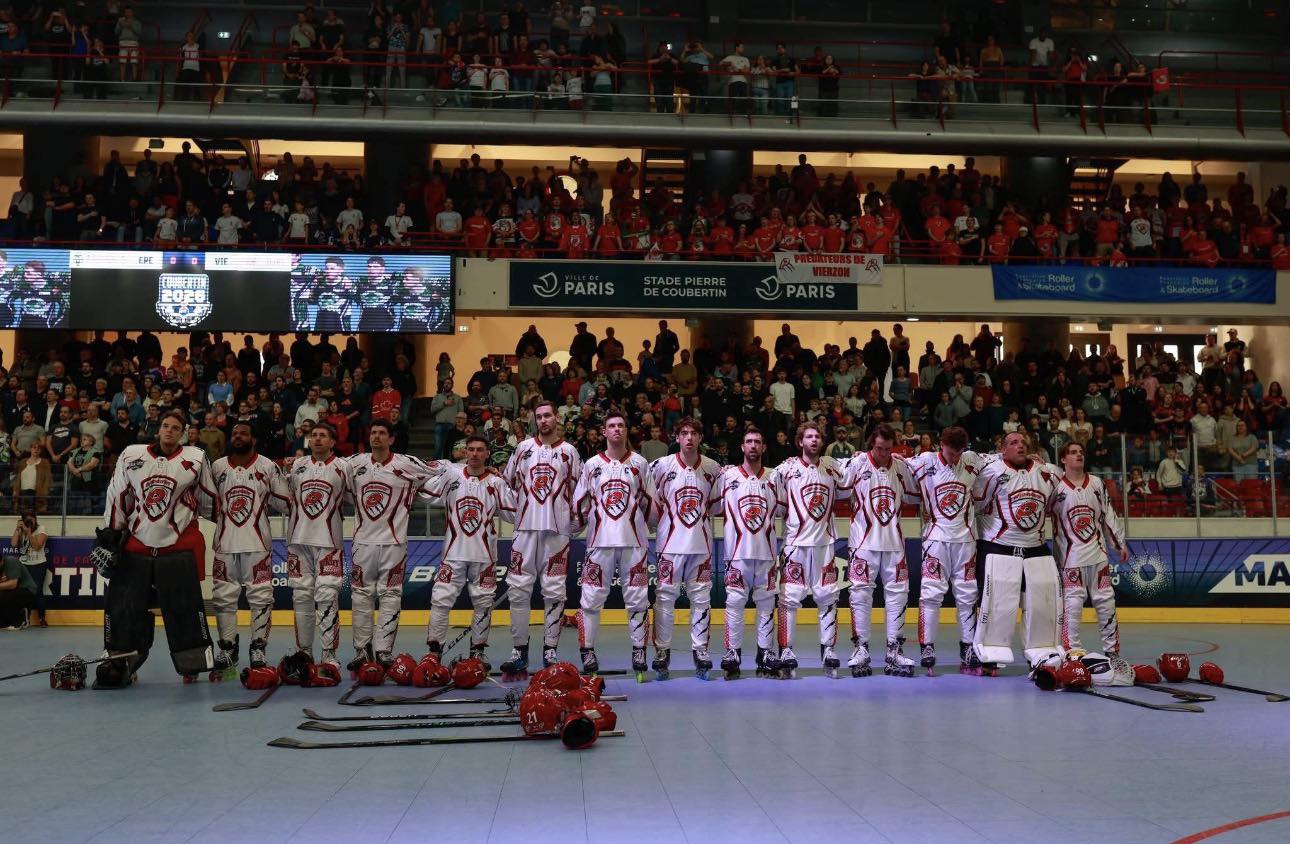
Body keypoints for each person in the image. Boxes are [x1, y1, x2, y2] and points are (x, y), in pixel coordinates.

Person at [94, 410, 219, 687]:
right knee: (124, 610)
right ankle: (120, 662)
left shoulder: (195, 458)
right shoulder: (131, 455)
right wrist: (111, 535)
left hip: (178, 548)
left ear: (183, 433)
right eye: (165, 426)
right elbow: (117, 495)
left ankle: (193, 664)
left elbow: (210, 498)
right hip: (137, 546)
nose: (169, 431)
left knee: (184, 610)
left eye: (176, 427)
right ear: (157, 429)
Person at [345, 418, 445, 672]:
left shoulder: (407, 463)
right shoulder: (354, 463)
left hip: (394, 543)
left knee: (391, 596)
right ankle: (361, 650)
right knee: (361, 596)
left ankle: (384, 650)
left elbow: (441, 469)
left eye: (382, 433)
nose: (376, 436)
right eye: (373, 432)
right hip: (362, 544)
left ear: (391, 438)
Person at [498, 400, 583, 677]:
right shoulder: (523, 448)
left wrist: (574, 524)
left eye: (548, 415)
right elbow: (505, 483)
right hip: (525, 531)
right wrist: (514, 515)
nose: (544, 420)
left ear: (557, 418)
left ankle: (550, 650)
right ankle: (519, 650)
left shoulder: (570, 452)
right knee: (518, 590)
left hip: (557, 533)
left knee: (555, 591)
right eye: (539, 417)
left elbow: (581, 493)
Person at [571, 412, 657, 676]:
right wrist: (575, 525)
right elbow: (579, 503)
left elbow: (651, 502)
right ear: (604, 431)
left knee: (638, 599)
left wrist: (654, 525)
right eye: (611, 426)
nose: (617, 429)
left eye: (621, 425)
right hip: (599, 543)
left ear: (626, 430)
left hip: (634, 544)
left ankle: (639, 651)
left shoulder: (640, 463)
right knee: (591, 599)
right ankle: (587, 652)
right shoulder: (592, 465)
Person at [971, 430, 1063, 674]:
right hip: (998, 546)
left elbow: (1055, 504)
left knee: (1043, 603)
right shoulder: (991, 471)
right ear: (1003, 448)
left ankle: (1042, 652)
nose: (1020, 445)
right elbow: (976, 503)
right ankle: (991, 653)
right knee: (998, 604)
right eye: (1013, 442)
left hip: (1036, 548)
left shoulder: (1048, 473)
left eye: (1023, 442)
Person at [419, 435, 516, 667]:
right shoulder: (452, 474)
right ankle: (434, 651)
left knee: (483, 603)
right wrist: (440, 467)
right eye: (470, 449)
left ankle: (478, 651)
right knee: (440, 601)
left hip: (485, 556)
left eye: (480, 450)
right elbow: (424, 493)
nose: (474, 454)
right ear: (465, 452)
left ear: (487, 454)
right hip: (453, 553)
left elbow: (513, 513)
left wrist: (509, 481)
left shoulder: (496, 483)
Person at [206, 423, 291, 676]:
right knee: (223, 598)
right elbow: (206, 504)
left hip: (257, 544)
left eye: (243, 433)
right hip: (224, 544)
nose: (238, 437)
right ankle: (228, 648)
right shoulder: (217, 467)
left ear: (253, 438)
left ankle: (258, 648)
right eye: (234, 434)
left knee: (261, 597)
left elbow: (285, 502)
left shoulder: (266, 466)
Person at [841, 424, 919, 678]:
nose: (883, 454)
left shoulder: (901, 465)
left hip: (894, 544)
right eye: (879, 449)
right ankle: (861, 648)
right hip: (863, 545)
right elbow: (829, 472)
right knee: (860, 595)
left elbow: (922, 482)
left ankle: (893, 649)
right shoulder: (856, 464)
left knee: (898, 595)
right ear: (870, 445)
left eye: (888, 449)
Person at [770, 421, 846, 678]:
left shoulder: (832, 467)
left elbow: (852, 482)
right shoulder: (786, 469)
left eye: (817, 437)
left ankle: (828, 649)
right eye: (808, 436)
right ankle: (787, 650)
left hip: (824, 545)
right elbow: (772, 499)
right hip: (795, 545)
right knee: (789, 598)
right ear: (800, 441)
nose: (813, 440)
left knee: (828, 596)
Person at [907, 425, 984, 675]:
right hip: (935, 541)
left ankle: (968, 646)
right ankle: (927, 646)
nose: (955, 458)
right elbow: (894, 462)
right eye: (951, 453)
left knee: (967, 595)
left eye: (959, 453)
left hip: (966, 542)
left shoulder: (972, 460)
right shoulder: (924, 461)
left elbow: (999, 460)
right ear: (941, 445)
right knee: (930, 595)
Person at [648, 417, 722, 679]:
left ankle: (700, 649)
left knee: (701, 600)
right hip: (669, 546)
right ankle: (662, 651)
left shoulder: (714, 469)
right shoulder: (660, 466)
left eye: (694, 433)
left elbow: (715, 506)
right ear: (676, 437)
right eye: (684, 433)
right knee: (664, 599)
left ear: (700, 438)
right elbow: (651, 505)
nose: (689, 438)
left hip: (700, 546)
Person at [283, 422, 354, 682]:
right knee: (301, 597)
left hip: (329, 542)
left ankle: (328, 653)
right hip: (297, 540)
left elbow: (356, 496)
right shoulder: (298, 465)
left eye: (323, 436)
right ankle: (304, 653)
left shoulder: (344, 467)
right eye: (313, 435)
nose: (317, 439)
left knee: (326, 597)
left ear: (333, 442)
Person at [1052, 442, 1128, 657]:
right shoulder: (1055, 487)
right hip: (1070, 559)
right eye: (1073, 452)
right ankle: (1072, 651)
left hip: (1098, 556)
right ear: (1063, 460)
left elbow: (1108, 515)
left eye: (1081, 452)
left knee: (1106, 602)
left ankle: (1112, 651)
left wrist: (1119, 544)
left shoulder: (1096, 483)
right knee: (1073, 603)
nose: (1079, 455)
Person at [717, 427, 782, 678]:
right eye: (749, 442)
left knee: (766, 604)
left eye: (758, 441)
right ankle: (732, 651)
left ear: (764, 447)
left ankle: (765, 652)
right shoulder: (728, 476)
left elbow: (787, 510)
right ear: (742, 447)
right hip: (736, 553)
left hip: (766, 553)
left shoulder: (776, 477)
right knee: (734, 603)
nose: (753, 445)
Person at [11, 510, 48, 628]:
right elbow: (13, 544)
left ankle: (42, 618)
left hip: (38, 564)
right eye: (27, 519)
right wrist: (18, 529)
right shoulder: (21, 530)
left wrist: (29, 532)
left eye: (31, 518)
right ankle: (25, 619)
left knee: (38, 592)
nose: (29, 521)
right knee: (23, 592)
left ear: (35, 519)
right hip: (24, 564)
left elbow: (37, 546)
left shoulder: (41, 529)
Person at [0, 546, 37, 630]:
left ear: (2, 561)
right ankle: (4, 623)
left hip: (27, 590)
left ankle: (20, 620)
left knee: (4, 597)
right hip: (13, 590)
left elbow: (13, 584)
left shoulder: (11, 561)